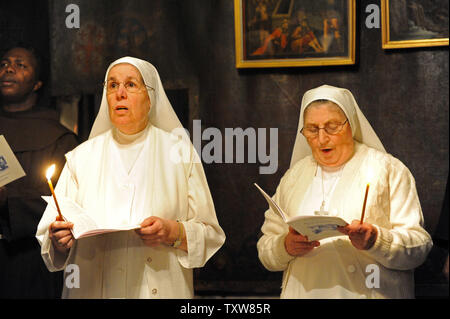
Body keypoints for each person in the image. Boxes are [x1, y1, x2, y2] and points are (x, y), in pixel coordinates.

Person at [36, 57, 226, 298]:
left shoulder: (179, 153)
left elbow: (210, 234)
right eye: (113, 85)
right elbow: (51, 239)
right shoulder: (81, 158)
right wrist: (58, 239)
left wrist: (172, 232)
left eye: (131, 85)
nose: (120, 93)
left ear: (150, 98)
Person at [257, 84, 433, 298]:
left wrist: (375, 240)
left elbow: (419, 245)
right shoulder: (294, 177)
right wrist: (285, 246)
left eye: (332, 127)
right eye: (312, 129)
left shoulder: (388, 170)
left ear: (351, 125)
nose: (322, 139)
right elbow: (265, 249)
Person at [0, 46, 79, 298]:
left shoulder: (59, 138)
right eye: (4, 63)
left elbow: (62, 203)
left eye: (21, 65)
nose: (8, 69)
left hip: (28, 262)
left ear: (37, 84)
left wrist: (6, 200)